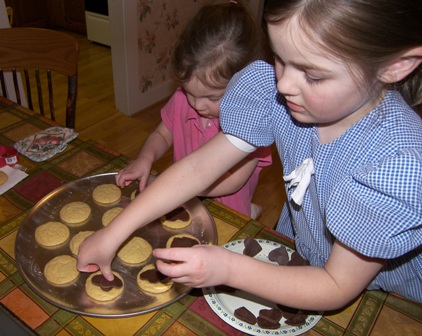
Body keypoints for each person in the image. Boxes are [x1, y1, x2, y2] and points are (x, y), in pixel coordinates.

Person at [78, 0, 422, 310]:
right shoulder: (274, 93)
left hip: (387, 298)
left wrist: (225, 268)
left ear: (395, 66)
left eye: (312, 74)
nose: (284, 84)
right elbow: (197, 169)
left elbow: (335, 285)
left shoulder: (394, 165)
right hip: (303, 247)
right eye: (279, 59)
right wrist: (113, 233)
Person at [115, 2, 272, 219]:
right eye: (191, 92)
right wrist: (145, 158)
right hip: (185, 199)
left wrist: (180, 188)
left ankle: (249, 209)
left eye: (212, 97)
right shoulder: (181, 100)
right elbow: (162, 134)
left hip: (227, 209)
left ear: (244, 87)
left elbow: (234, 181)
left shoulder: (251, 121)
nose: (198, 105)